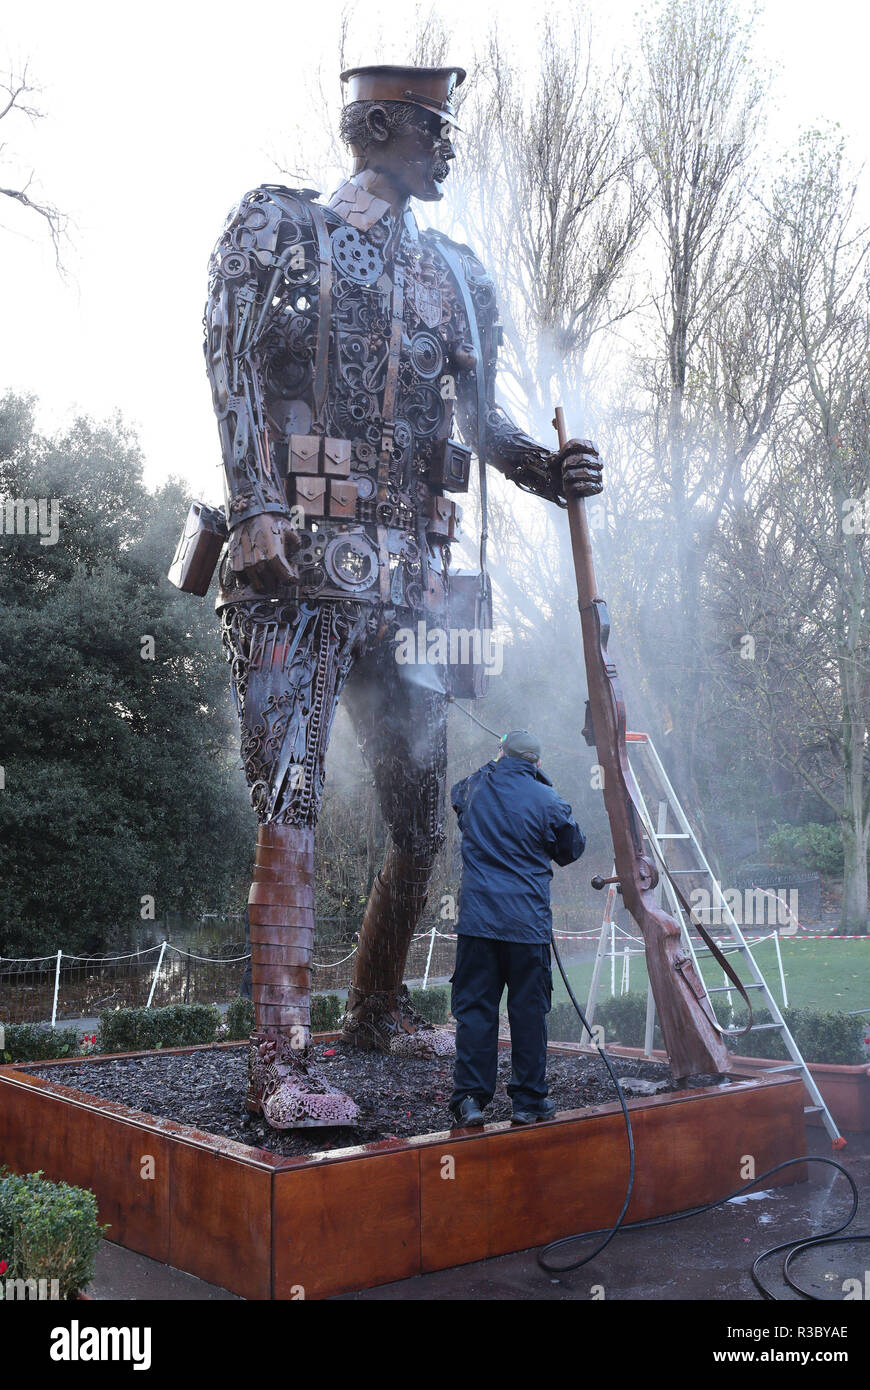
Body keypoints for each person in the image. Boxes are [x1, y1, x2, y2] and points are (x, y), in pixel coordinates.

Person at [201, 63, 603, 1129]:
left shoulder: (458, 279)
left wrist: (543, 467)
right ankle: (278, 1064)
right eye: (433, 126)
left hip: (411, 591)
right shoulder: (281, 228)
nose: (449, 146)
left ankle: (373, 1011)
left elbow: (486, 422)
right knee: (289, 807)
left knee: (422, 823)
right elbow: (231, 360)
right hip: (294, 579)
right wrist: (254, 510)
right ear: (375, 125)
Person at [449, 730, 586, 1126]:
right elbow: (571, 848)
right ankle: (528, 1102)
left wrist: (494, 765)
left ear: (501, 754)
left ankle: (470, 1101)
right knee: (528, 1012)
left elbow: (459, 799)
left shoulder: (475, 786)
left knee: (476, 1010)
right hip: (526, 927)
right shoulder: (547, 797)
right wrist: (541, 784)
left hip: (478, 925)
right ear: (537, 763)